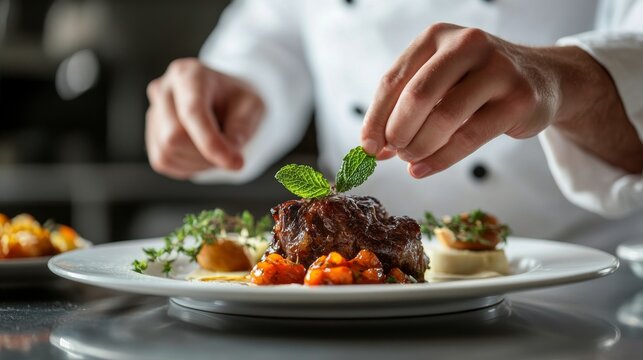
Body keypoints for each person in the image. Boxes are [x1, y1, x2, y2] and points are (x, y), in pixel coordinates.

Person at [145, 0, 643, 245]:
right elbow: (272, 33)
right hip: (343, 310)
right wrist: (226, 100)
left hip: (577, 307)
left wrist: (566, 78)